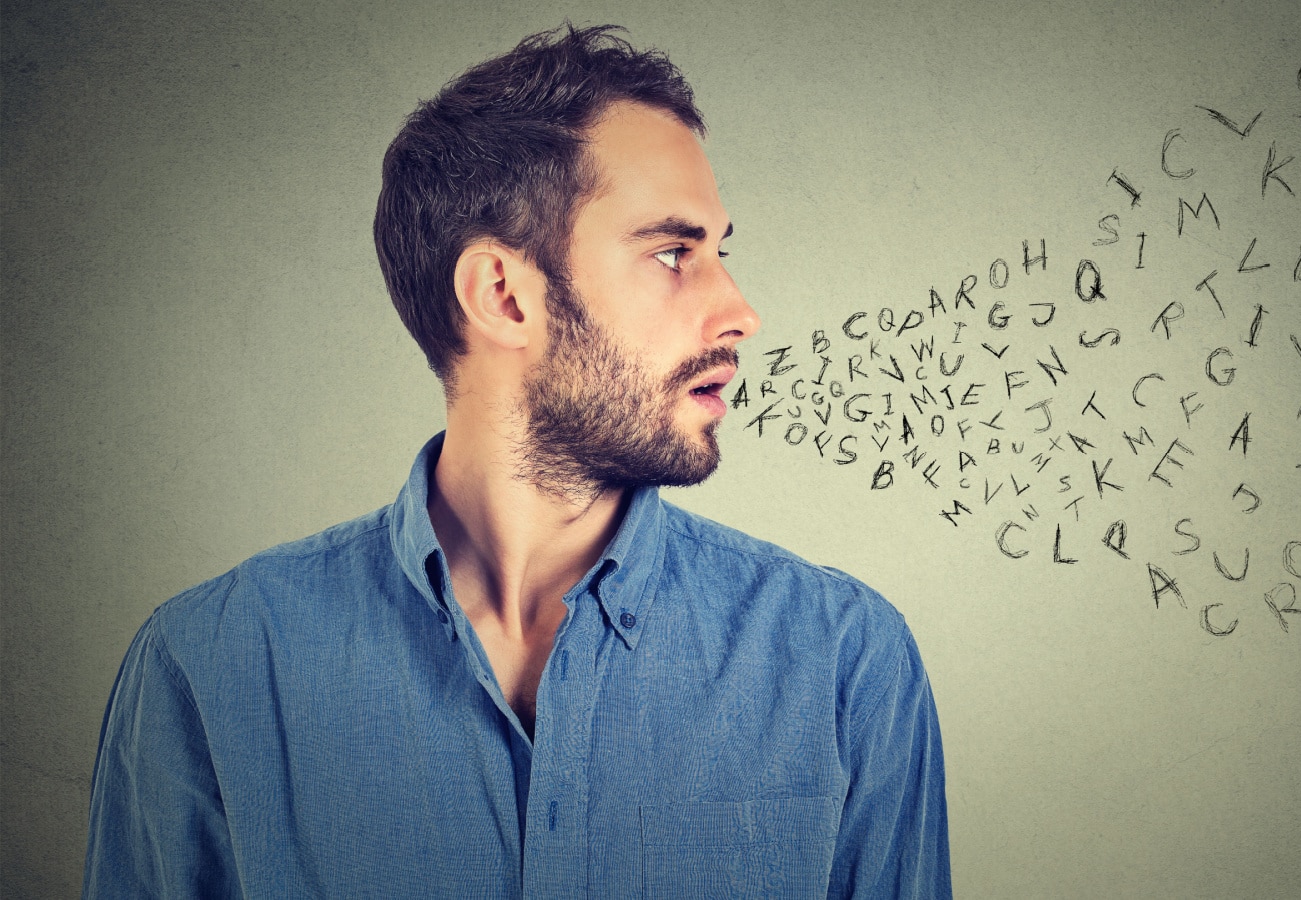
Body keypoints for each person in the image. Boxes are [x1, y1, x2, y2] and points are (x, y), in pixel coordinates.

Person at [82, 24, 950, 899]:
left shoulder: (843, 663)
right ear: (501, 294)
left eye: (722, 252)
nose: (740, 311)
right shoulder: (211, 666)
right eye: (672, 253)